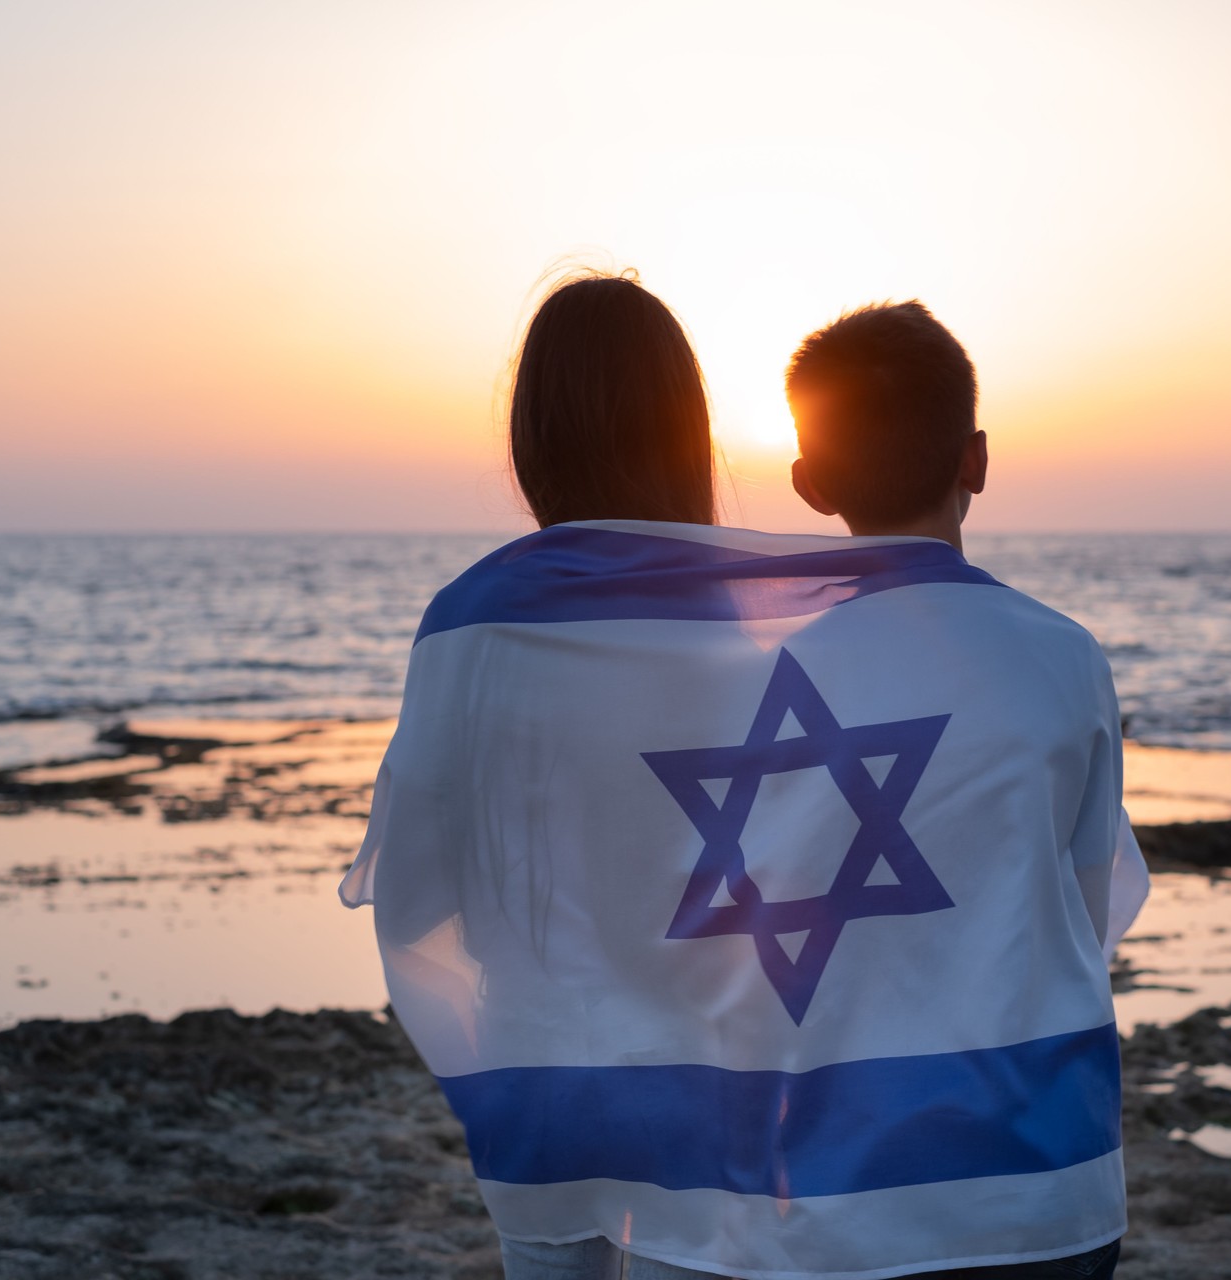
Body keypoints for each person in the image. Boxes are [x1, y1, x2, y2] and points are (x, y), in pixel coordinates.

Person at [341, 277, 1140, 1280]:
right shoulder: (1055, 656)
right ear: (976, 456)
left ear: (806, 481)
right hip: (1038, 1185)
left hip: (671, 1156)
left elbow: (428, 893)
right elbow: (1079, 901)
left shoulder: (520, 634)